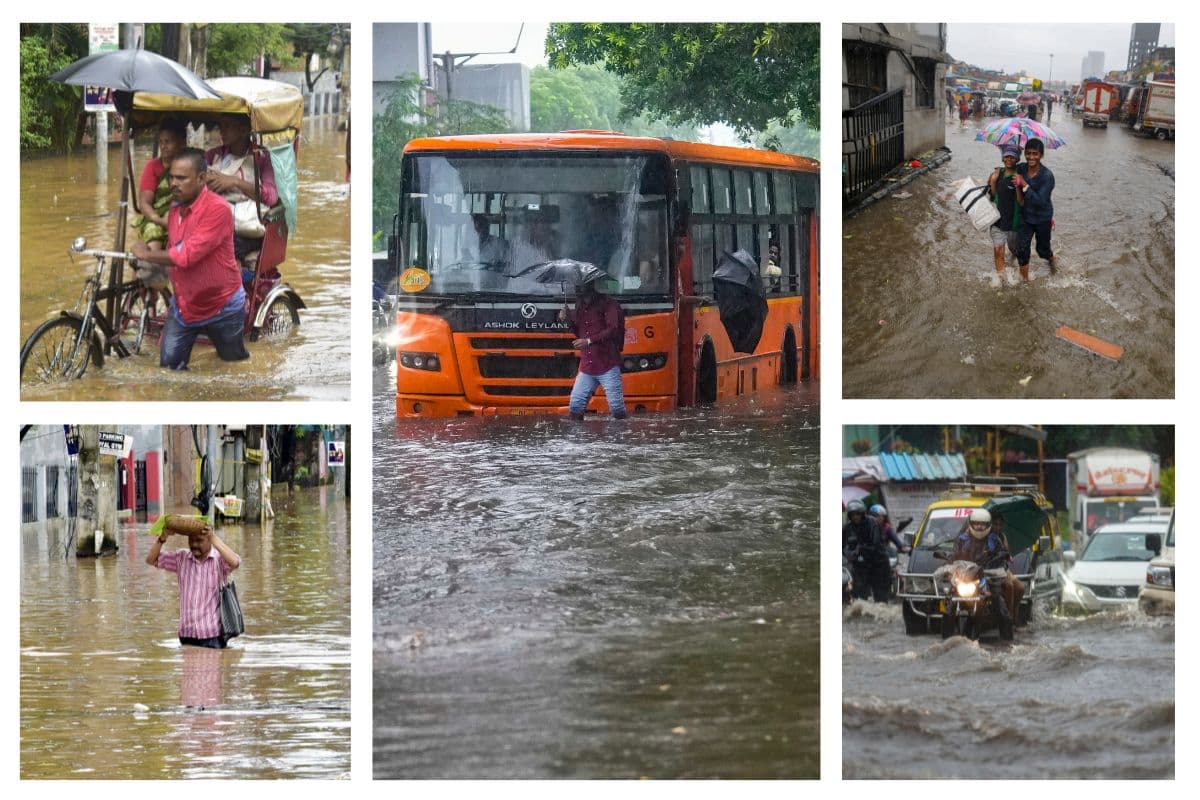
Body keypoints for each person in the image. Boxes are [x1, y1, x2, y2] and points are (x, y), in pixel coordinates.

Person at [131, 148, 251, 369]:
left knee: (233, 367)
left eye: (182, 178)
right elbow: (173, 248)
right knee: (169, 369)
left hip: (222, 307)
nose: (174, 184)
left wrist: (147, 254)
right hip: (186, 307)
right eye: (172, 177)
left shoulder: (219, 210)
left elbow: (187, 255)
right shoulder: (175, 208)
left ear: (202, 179)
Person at [146, 524, 241, 649]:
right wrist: (162, 538)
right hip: (186, 635)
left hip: (212, 636)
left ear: (209, 540)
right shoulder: (181, 558)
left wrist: (214, 538)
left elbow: (235, 562)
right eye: (191, 540)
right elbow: (151, 560)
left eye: (199, 540)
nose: (194, 544)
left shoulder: (219, 561)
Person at [205, 113, 279, 267]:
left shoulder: (262, 157)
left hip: (247, 227)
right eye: (221, 127)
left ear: (244, 130)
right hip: (216, 220)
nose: (222, 132)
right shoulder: (214, 156)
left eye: (227, 127)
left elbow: (271, 197)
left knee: (226, 244)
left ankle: (234, 286)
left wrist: (235, 182)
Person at [559, 271, 627, 420]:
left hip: (607, 363)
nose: (577, 289)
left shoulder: (608, 303)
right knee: (576, 406)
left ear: (590, 285)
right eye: (576, 286)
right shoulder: (579, 306)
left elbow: (613, 329)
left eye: (580, 285)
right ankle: (578, 440)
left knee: (616, 408)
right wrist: (568, 320)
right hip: (587, 366)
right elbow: (579, 333)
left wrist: (589, 341)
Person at [949, 508, 1016, 624]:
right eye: (976, 523)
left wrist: (1000, 556)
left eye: (982, 524)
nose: (979, 527)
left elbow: (1003, 556)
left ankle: (1007, 628)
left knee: (1000, 605)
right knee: (949, 596)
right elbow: (954, 554)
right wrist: (949, 559)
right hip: (967, 576)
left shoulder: (995, 540)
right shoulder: (962, 540)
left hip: (989, 576)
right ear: (971, 524)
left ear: (988, 525)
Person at [1012, 137, 1058, 281]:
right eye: (1028, 153)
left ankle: (1051, 259)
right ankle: (1024, 280)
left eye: (1035, 154)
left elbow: (1040, 201)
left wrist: (1024, 184)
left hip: (1042, 217)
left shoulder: (1047, 176)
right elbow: (1009, 170)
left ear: (1041, 155)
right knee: (1022, 248)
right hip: (1026, 216)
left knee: (1041, 250)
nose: (1031, 157)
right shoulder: (1021, 168)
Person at [987, 142, 1023, 284]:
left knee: (1014, 250)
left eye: (1013, 157)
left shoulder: (1019, 176)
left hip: (1013, 223)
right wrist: (993, 182)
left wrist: (1019, 186)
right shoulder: (997, 173)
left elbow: (1021, 203)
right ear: (1003, 157)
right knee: (998, 251)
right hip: (997, 220)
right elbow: (993, 196)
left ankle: (1014, 259)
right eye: (1007, 156)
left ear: (1017, 159)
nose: (1009, 159)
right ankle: (1004, 283)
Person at [842, 499, 891, 602]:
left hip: (878, 564)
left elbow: (876, 545)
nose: (855, 517)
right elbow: (842, 547)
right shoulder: (847, 528)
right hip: (861, 566)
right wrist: (849, 554)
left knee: (881, 597)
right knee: (859, 597)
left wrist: (860, 547)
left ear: (862, 513)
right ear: (850, 515)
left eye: (858, 514)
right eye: (853, 514)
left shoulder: (872, 523)